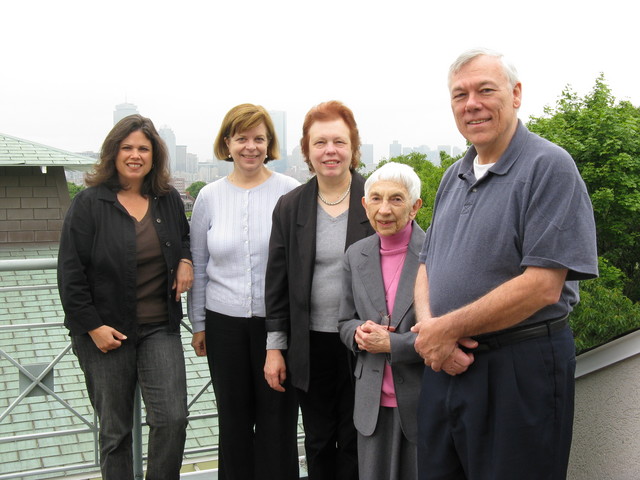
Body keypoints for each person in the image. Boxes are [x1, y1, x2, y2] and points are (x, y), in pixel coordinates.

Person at [411, 48, 599, 480]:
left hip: (519, 368)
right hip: (445, 363)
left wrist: (447, 330)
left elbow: (542, 286)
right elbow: (426, 264)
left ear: (515, 95)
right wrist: (431, 333)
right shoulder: (453, 175)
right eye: (460, 94)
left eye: (485, 90)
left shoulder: (549, 166)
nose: (471, 103)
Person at [57, 114, 191, 480]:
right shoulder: (89, 204)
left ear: (154, 155)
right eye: (127, 147)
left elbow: (183, 238)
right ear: (114, 152)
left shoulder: (167, 201)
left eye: (143, 148)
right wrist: (93, 327)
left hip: (159, 327)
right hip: (106, 334)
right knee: (115, 432)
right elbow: (70, 273)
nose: (135, 155)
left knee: (173, 419)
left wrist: (184, 259)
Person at [187, 104, 300, 480]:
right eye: (241, 138)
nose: (250, 147)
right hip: (224, 325)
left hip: (278, 323)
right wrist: (199, 323)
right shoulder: (208, 197)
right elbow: (199, 265)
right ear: (227, 143)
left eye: (259, 139)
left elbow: (298, 265)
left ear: (270, 144)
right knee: (232, 423)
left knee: (278, 421)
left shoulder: (290, 192)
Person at [264, 100, 374, 480]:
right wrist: (275, 348)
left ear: (353, 147)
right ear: (307, 152)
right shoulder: (291, 206)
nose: (330, 151)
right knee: (318, 441)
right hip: (309, 344)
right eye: (320, 142)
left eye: (339, 142)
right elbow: (276, 284)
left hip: (365, 342)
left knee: (360, 438)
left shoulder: (375, 199)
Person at [338, 162, 425, 480]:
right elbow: (344, 320)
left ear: (415, 206)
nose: (384, 209)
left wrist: (393, 344)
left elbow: (449, 331)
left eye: (396, 199)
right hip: (371, 400)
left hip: (422, 398)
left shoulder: (435, 254)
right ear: (364, 204)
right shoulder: (355, 254)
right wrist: (358, 333)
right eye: (376, 198)